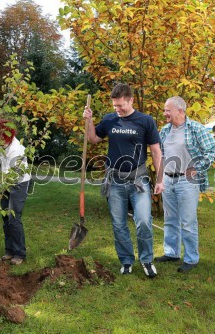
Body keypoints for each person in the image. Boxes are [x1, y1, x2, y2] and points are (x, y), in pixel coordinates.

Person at [83, 83, 163, 278]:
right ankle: (126, 261)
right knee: (119, 224)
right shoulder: (110, 119)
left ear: (131, 100)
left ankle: (146, 260)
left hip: (138, 181)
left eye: (121, 106)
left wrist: (160, 179)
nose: (117, 110)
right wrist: (89, 120)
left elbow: (155, 150)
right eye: (114, 106)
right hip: (115, 182)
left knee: (144, 220)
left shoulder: (145, 121)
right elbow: (93, 138)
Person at [154, 96, 215, 273]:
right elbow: (160, 155)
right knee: (170, 219)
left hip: (187, 180)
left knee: (188, 221)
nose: (165, 113)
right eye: (164, 110)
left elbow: (213, 148)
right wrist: (160, 179)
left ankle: (191, 258)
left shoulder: (195, 128)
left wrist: (198, 167)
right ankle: (171, 252)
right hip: (168, 179)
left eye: (168, 110)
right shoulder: (165, 130)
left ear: (180, 111)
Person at [0, 120, 31, 266]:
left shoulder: (16, 150)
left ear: (6, 135)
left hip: (19, 183)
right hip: (6, 180)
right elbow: (4, 170)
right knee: (5, 217)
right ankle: (9, 250)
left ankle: (19, 253)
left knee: (13, 218)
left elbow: (12, 176)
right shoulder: (0, 146)